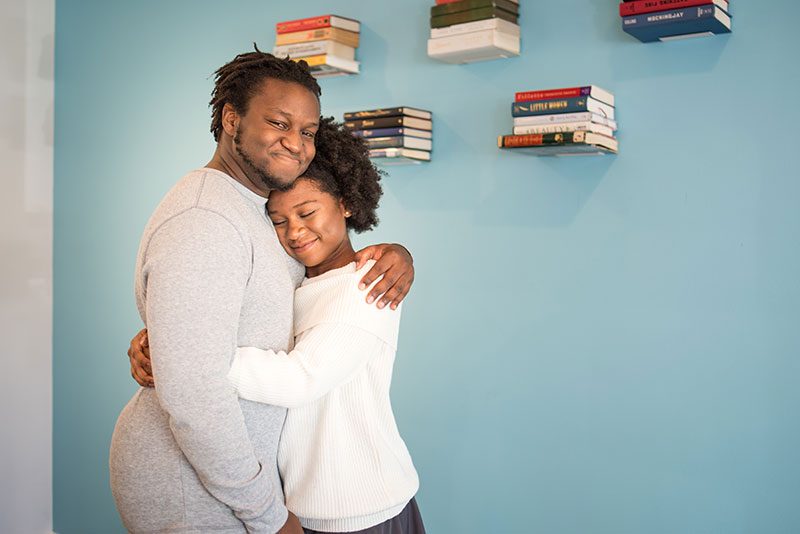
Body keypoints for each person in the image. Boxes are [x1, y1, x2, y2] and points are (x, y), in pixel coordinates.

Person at [110, 49, 414, 534]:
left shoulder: (257, 204)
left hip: (244, 483)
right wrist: (267, 514)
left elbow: (241, 310)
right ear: (232, 119)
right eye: (278, 122)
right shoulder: (205, 218)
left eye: (308, 131)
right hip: (195, 485)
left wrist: (399, 252)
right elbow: (194, 389)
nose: (295, 143)